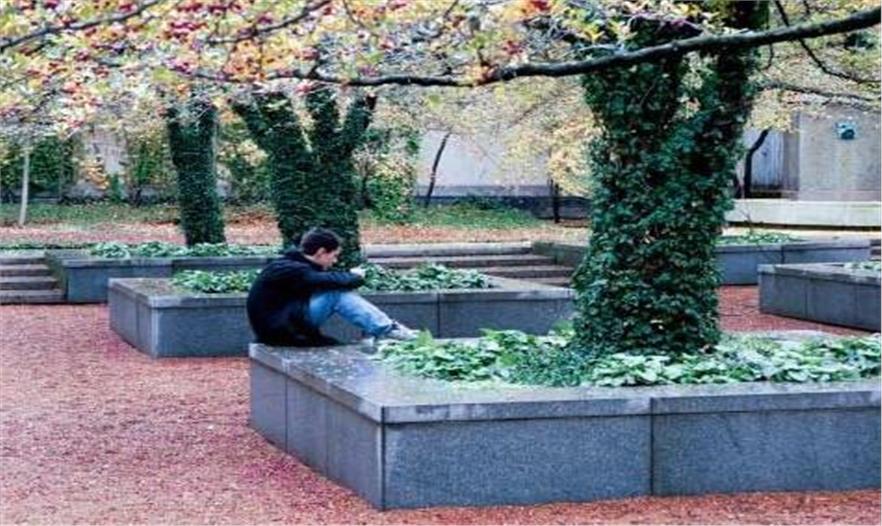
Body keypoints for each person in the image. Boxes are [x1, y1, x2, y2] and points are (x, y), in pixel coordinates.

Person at [247, 227, 418, 347]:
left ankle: (381, 329)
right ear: (321, 252)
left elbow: (325, 280)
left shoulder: (292, 265)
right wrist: (356, 276)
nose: (334, 261)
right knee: (335, 294)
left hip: (280, 325)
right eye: (334, 255)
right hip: (280, 330)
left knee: (333, 289)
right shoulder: (292, 269)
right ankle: (388, 330)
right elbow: (333, 281)